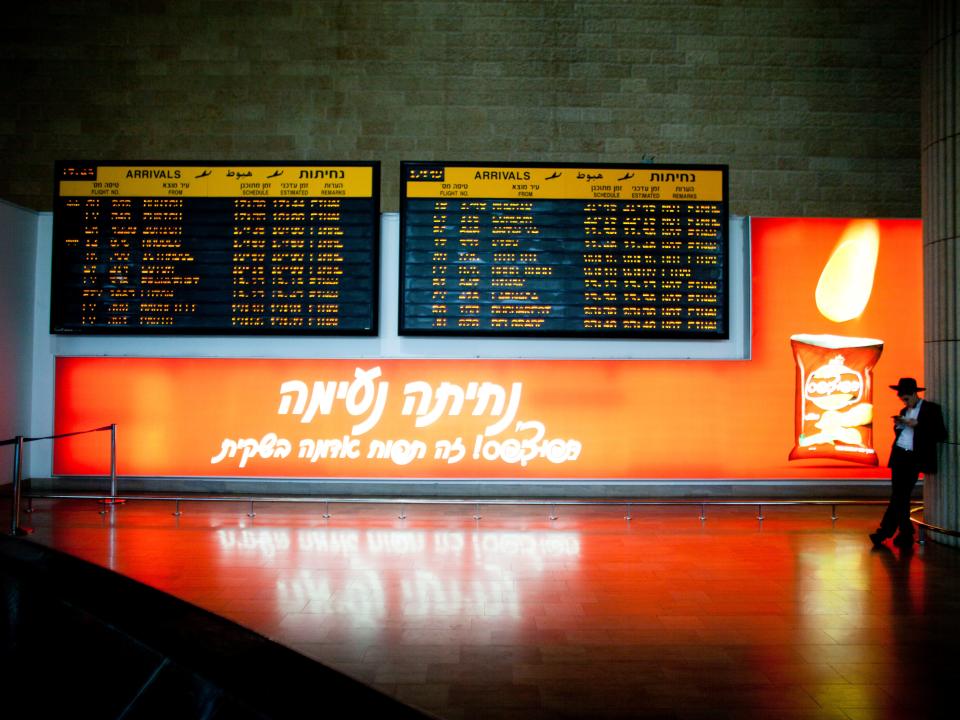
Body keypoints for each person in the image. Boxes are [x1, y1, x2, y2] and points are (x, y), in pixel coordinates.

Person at [870, 377, 947, 549]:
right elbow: (902, 435)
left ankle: (885, 532)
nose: (904, 402)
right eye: (902, 399)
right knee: (900, 496)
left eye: (906, 399)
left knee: (899, 496)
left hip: (914, 458)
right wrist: (899, 425)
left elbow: (941, 433)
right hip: (899, 455)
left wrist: (917, 424)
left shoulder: (931, 409)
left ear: (914, 394)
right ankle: (904, 533)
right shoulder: (904, 411)